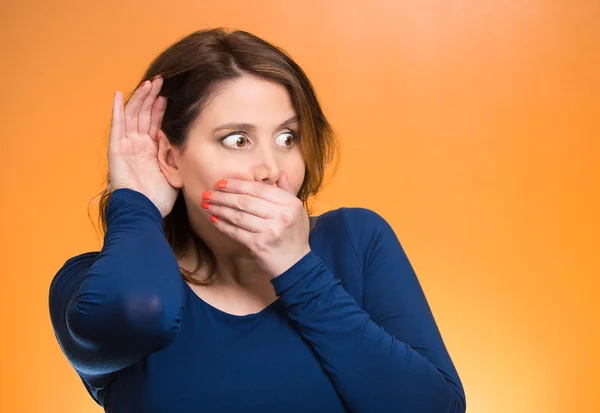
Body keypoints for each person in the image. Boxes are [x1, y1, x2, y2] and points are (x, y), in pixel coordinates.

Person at [48, 28, 466, 413]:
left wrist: (299, 269)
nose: (270, 168)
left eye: (287, 138)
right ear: (170, 158)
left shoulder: (355, 241)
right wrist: (135, 203)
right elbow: (139, 312)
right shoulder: (93, 286)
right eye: (238, 140)